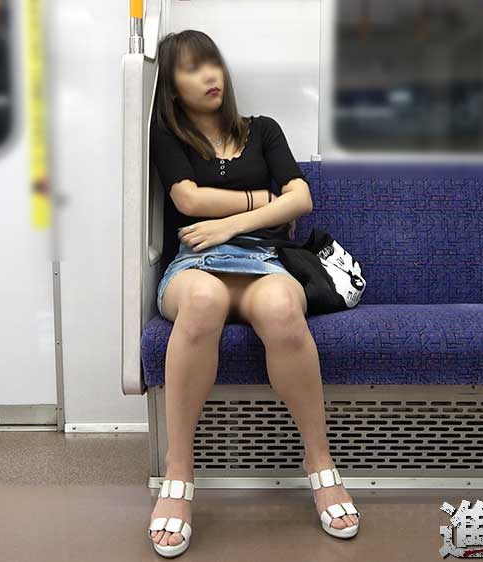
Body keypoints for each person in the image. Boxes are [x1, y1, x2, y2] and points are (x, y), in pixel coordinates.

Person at [145, 30, 361, 557]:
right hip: (195, 264)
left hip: (261, 260)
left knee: (283, 307)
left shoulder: (262, 130)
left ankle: (321, 464)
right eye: (192, 68)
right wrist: (261, 200)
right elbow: (188, 200)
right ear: (172, 86)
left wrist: (229, 224)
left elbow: (300, 199)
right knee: (204, 301)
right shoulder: (169, 136)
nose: (210, 75)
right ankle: (178, 473)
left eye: (212, 63)